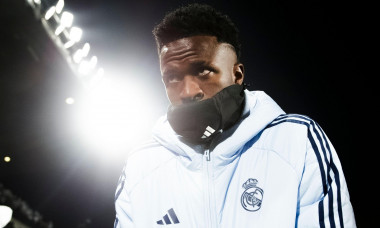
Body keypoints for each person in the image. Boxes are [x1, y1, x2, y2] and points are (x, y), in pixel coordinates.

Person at [114, 3, 356, 227]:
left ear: (237, 76)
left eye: (203, 71)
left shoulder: (296, 140)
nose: (188, 91)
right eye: (172, 78)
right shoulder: (141, 167)